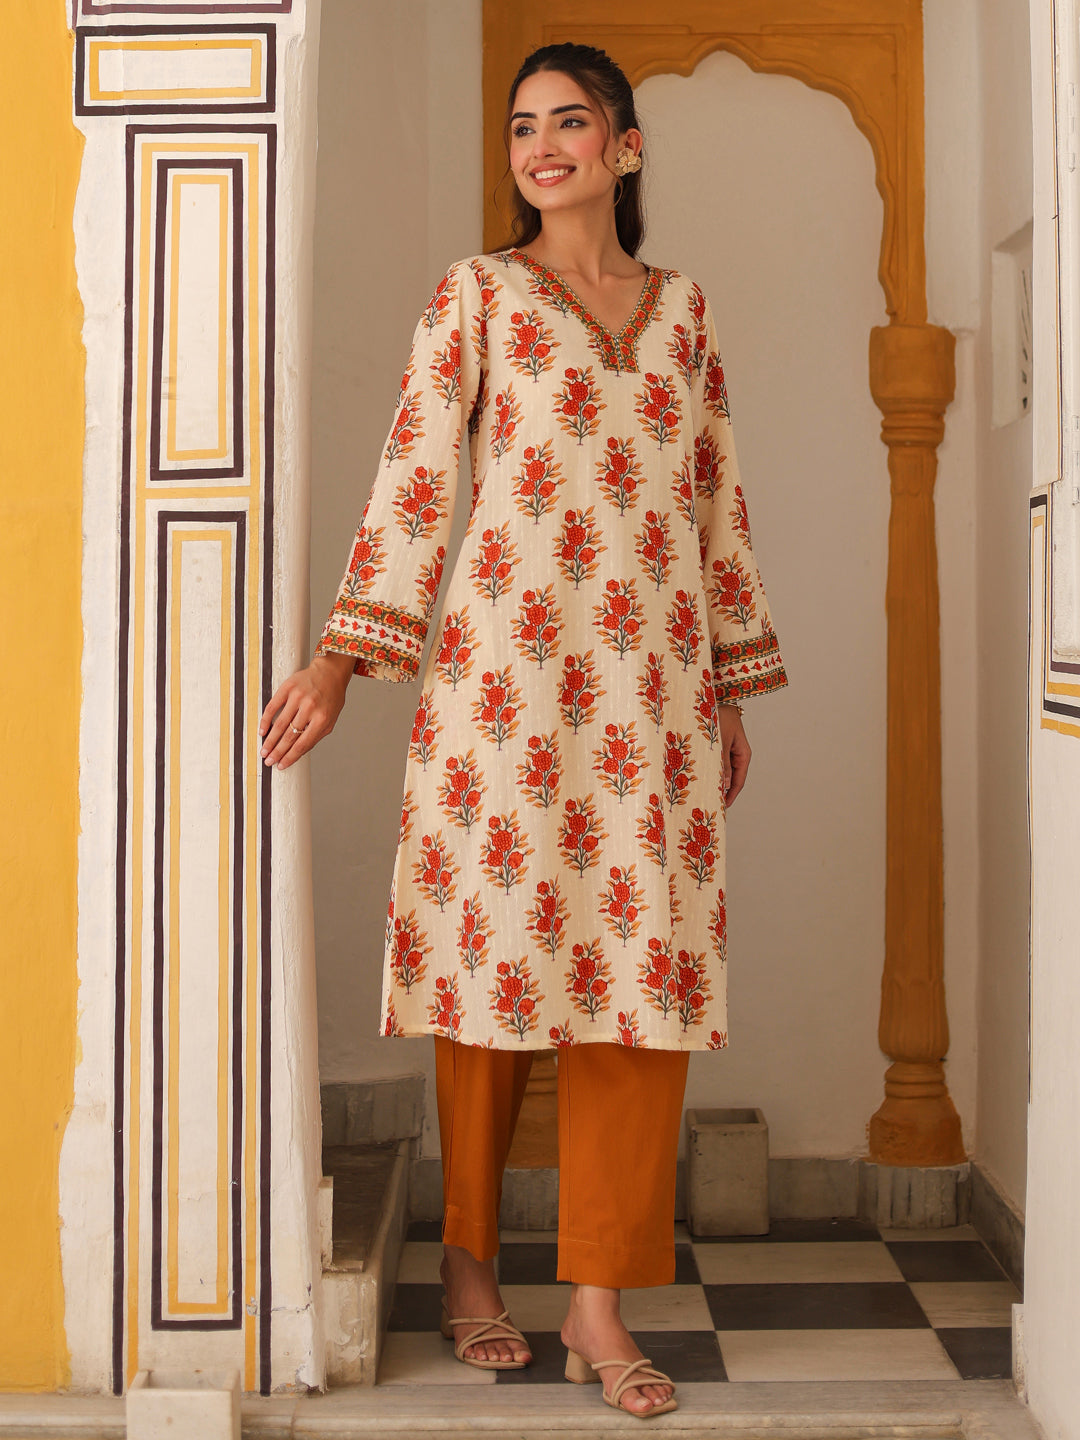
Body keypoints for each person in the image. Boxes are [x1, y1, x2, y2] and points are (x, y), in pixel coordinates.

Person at [260, 41, 788, 1420]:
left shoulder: (683, 311)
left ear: (625, 147)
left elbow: (715, 497)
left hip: (652, 698)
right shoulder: (478, 295)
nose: (542, 146)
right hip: (503, 690)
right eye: (522, 127)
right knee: (491, 967)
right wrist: (341, 656)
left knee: (640, 983)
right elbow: (415, 475)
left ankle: (599, 1304)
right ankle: (472, 1261)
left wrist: (729, 683)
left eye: (570, 122)